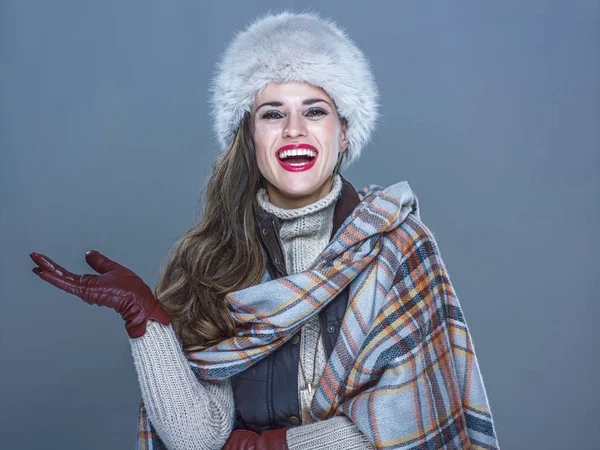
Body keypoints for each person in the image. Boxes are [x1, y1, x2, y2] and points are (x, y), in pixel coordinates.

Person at [30, 11, 499, 450]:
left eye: (315, 111)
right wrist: (146, 322)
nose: (294, 129)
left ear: (345, 132)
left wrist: (279, 445)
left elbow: (415, 421)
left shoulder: (398, 248)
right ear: (249, 137)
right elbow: (198, 439)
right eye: (272, 113)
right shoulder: (213, 259)